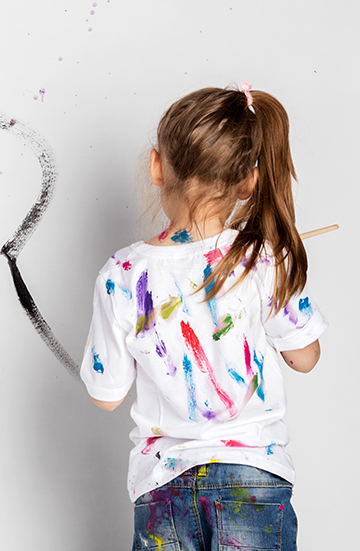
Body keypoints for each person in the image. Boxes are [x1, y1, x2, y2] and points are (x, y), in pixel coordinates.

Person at [82, 83, 327, 550]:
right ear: (249, 180)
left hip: (163, 484)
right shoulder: (263, 260)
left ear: (156, 166)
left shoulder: (123, 274)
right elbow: (305, 357)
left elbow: (106, 395)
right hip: (254, 482)